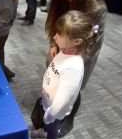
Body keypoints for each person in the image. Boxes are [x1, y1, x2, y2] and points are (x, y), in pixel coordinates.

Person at [44, 0, 107, 136]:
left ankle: (68, 119)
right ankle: (54, 108)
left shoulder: (95, 8)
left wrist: (69, 62)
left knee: (72, 87)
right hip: (62, 47)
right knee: (55, 80)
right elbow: (57, 27)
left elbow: (90, 45)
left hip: (81, 55)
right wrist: (53, 44)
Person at [31, 10, 99, 139]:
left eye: (60, 34)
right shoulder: (65, 52)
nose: (55, 37)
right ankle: (43, 131)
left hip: (54, 113)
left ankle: (48, 135)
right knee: (47, 126)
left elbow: (62, 102)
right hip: (48, 103)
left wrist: (50, 115)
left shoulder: (73, 69)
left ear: (77, 41)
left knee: (51, 130)